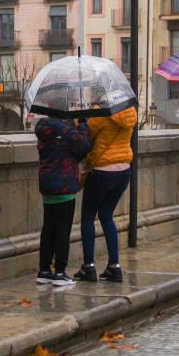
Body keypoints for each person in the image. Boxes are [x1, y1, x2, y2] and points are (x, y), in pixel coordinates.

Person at [74, 105, 137, 283]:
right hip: (124, 170)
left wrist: (82, 122)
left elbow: (86, 139)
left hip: (102, 170)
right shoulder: (130, 112)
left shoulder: (100, 115)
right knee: (106, 216)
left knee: (87, 216)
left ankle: (88, 266)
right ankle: (114, 266)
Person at [35, 117, 92, 285]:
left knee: (48, 230)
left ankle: (44, 270)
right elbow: (84, 147)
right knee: (62, 230)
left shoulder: (42, 128)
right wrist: (82, 124)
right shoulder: (63, 129)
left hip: (47, 185)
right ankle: (60, 272)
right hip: (64, 186)